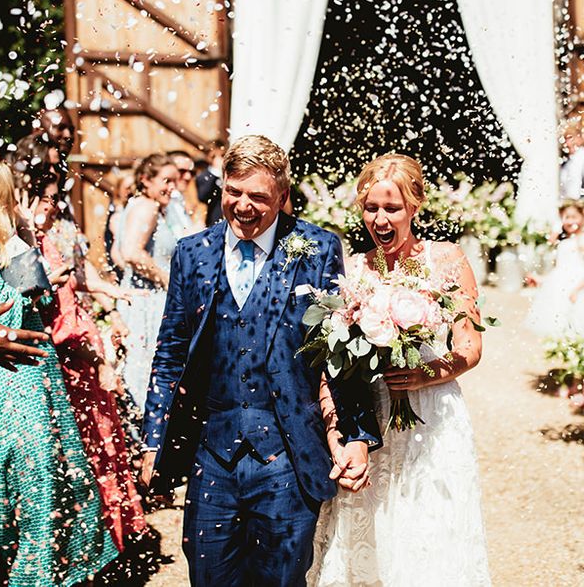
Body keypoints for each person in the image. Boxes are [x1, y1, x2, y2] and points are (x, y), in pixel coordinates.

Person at [141, 135, 380, 586]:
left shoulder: (316, 247)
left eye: (259, 197)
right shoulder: (193, 253)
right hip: (210, 455)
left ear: (283, 197)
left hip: (287, 455)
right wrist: (154, 438)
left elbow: (339, 348)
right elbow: (171, 349)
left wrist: (357, 435)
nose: (243, 206)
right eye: (234, 192)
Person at [0, 154, 117, 584]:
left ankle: (46, 574)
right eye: (7, 189)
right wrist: (28, 263)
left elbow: (44, 305)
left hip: (32, 376)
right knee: (28, 486)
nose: (15, 198)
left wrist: (27, 248)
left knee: (52, 480)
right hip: (8, 380)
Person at [309, 153, 490, 587]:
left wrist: (426, 374)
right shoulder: (354, 268)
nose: (381, 218)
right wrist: (338, 426)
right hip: (373, 409)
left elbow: (471, 345)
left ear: (414, 206)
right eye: (372, 208)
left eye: (392, 208)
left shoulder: (445, 260)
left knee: (430, 516)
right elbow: (334, 362)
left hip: (431, 411)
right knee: (374, 516)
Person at [30, 173, 147, 552]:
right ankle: (92, 539)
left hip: (83, 351)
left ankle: (111, 536)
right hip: (69, 359)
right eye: (45, 200)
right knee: (85, 449)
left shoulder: (49, 239)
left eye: (54, 200)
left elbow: (76, 277)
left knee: (103, 442)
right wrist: (96, 357)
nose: (53, 207)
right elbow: (54, 318)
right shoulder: (23, 247)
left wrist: (106, 291)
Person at [116, 153, 179, 410]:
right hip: (148, 304)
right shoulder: (147, 207)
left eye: (175, 182)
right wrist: (170, 282)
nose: (172, 187)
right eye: (167, 180)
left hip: (141, 299)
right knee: (146, 378)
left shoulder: (138, 205)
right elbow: (131, 252)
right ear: (146, 179)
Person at [526, 201, 584, 337]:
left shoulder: (581, 240)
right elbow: (560, 268)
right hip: (561, 285)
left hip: (576, 286)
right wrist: (541, 280)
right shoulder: (564, 239)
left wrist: (576, 290)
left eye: (573, 217)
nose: (569, 221)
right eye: (566, 217)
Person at [195, 138, 227, 226]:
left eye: (222, 155)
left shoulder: (229, 174)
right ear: (207, 157)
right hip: (214, 221)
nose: (219, 159)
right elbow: (202, 196)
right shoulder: (204, 176)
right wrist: (216, 172)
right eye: (213, 157)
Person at [559, 113, 584, 201]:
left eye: (571, 138)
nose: (567, 143)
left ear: (580, 137)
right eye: (565, 139)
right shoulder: (566, 162)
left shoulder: (581, 157)